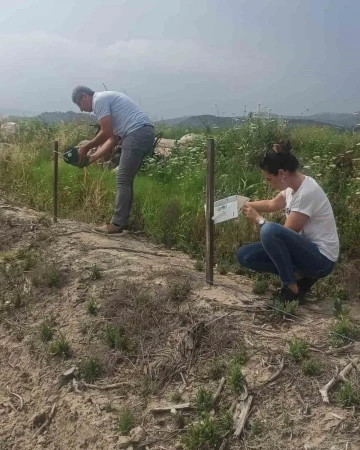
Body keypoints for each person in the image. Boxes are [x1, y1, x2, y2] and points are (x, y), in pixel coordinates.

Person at [237, 140, 339, 303]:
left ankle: (291, 290)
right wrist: (240, 204)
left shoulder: (306, 193)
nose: (268, 183)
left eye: (269, 179)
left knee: (269, 230)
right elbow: (272, 204)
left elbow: (281, 234)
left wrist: (258, 219)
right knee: (245, 256)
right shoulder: (291, 187)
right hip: (306, 251)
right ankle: (301, 278)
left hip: (321, 259)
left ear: (282, 173)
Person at [71, 86, 155, 234]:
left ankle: (117, 224)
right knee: (126, 180)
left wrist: (86, 147)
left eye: (79, 104)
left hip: (137, 133)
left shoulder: (99, 100)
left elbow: (106, 132)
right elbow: (112, 139)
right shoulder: (105, 100)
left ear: (84, 96)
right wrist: (92, 158)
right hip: (143, 133)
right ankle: (123, 223)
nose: (81, 110)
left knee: (122, 178)